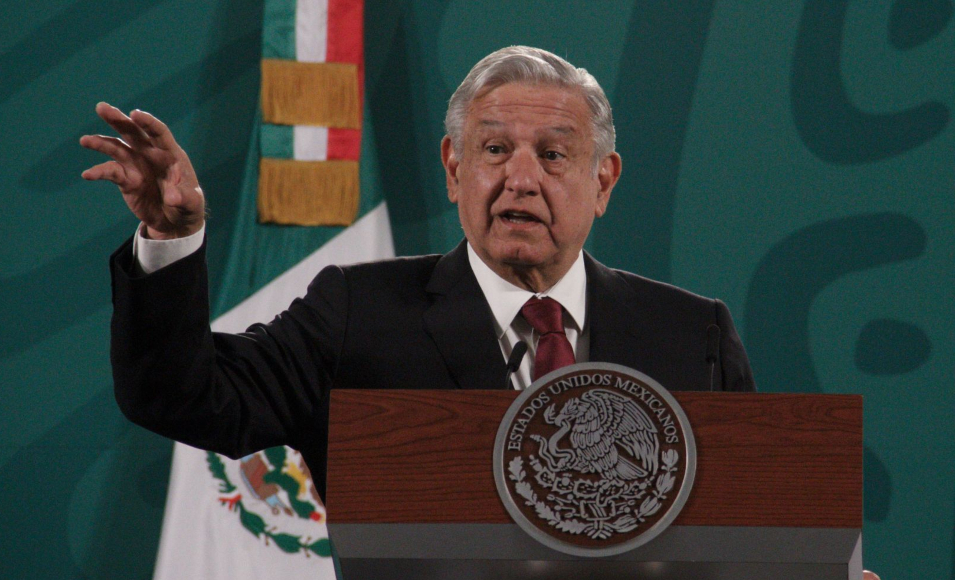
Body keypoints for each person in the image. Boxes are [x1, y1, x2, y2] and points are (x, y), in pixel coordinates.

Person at [82, 46, 878, 580]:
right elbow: (182, 395)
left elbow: (742, 540)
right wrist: (171, 240)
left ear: (604, 181)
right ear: (455, 166)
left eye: (554, 154)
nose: (521, 179)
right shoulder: (359, 311)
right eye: (495, 150)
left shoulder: (690, 333)